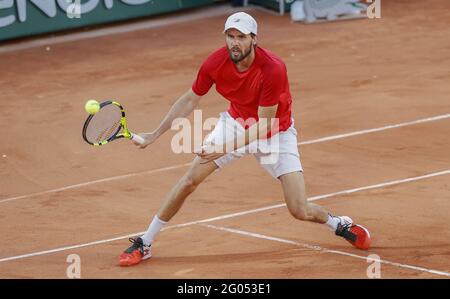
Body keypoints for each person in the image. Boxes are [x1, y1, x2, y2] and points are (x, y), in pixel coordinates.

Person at [119, 12, 371, 267]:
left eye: (241, 37)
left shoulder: (272, 68)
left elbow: (263, 126)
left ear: (254, 39)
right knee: (189, 181)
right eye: (230, 36)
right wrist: (154, 134)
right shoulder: (215, 62)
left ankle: (338, 224)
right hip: (235, 123)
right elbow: (190, 98)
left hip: (276, 134)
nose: (234, 43)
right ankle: (146, 241)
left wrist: (222, 149)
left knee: (299, 209)